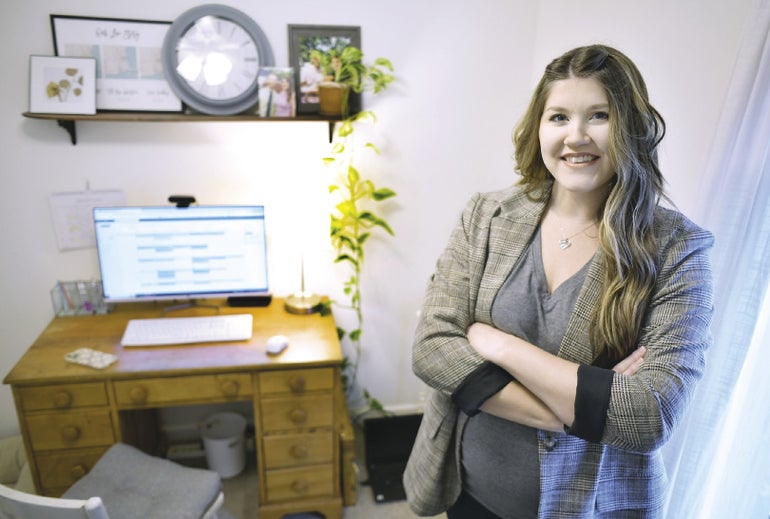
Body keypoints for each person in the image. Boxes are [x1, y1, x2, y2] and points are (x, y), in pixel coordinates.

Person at [403, 44, 714, 518]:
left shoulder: (678, 248)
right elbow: (432, 347)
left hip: (591, 507)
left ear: (630, 127)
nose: (576, 136)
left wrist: (497, 345)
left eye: (599, 116)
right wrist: (578, 408)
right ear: (538, 127)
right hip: (471, 492)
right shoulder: (487, 215)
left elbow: (649, 416)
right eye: (559, 117)